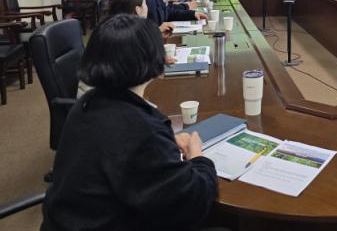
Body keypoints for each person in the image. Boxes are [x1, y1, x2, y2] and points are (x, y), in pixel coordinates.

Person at [41, 15, 218, 231]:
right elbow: (192, 203)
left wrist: (164, 143)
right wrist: (198, 158)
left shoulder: (88, 101)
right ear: (154, 60)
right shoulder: (142, 131)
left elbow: (119, 145)